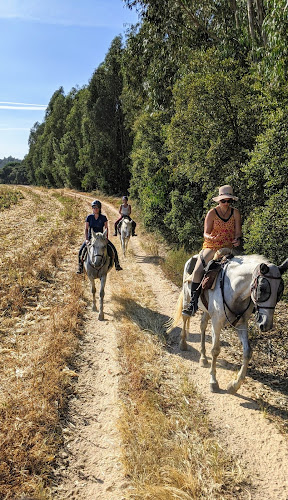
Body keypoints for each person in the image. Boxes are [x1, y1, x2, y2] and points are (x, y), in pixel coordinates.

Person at [182, 185, 242, 317]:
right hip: (212, 246)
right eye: (223, 201)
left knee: (244, 270)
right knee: (198, 270)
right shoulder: (212, 213)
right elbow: (206, 233)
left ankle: (244, 305)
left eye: (229, 201)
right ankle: (193, 303)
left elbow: (238, 232)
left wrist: (237, 240)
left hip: (228, 247)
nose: (226, 203)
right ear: (219, 201)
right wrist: (211, 237)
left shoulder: (235, 213)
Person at [77, 199, 123, 274]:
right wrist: (87, 239)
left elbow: (106, 228)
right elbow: (86, 229)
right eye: (94, 208)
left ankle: (117, 264)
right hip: (91, 238)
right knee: (81, 251)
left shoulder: (103, 217)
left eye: (97, 208)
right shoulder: (89, 217)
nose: (95, 209)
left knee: (113, 249)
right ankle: (80, 267)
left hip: (101, 238)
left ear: (99, 208)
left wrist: (106, 239)